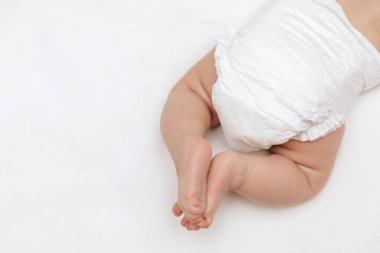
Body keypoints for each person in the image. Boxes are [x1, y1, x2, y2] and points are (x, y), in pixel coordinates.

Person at [160, 0, 380, 231]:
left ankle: (186, 143)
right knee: (306, 174)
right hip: (308, 88)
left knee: (192, 93)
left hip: (265, 46)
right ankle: (236, 171)